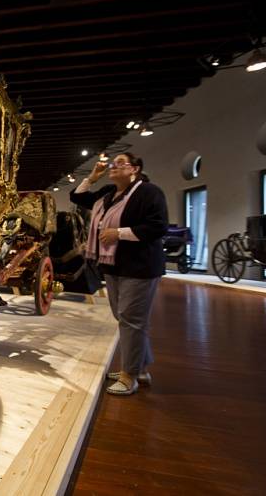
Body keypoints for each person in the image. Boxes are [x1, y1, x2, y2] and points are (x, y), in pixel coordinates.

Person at [70, 152, 168, 395]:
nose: (114, 166)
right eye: (113, 164)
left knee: (131, 319)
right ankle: (140, 368)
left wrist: (119, 233)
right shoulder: (107, 194)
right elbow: (78, 197)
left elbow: (158, 226)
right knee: (126, 318)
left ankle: (130, 375)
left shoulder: (149, 192)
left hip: (140, 266)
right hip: (113, 265)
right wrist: (92, 178)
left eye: (120, 163)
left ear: (135, 169)